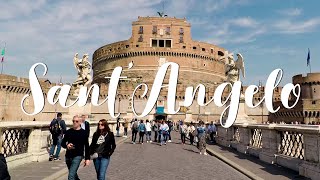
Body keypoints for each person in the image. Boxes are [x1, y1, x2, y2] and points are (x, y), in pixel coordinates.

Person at [62, 115, 90, 180]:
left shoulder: (84, 133)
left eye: (76, 121)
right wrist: (67, 146)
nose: (74, 122)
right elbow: (62, 143)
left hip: (78, 156)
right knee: (74, 174)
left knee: (71, 176)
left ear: (80, 122)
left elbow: (87, 146)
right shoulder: (68, 132)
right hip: (68, 156)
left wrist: (87, 158)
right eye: (73, 121)